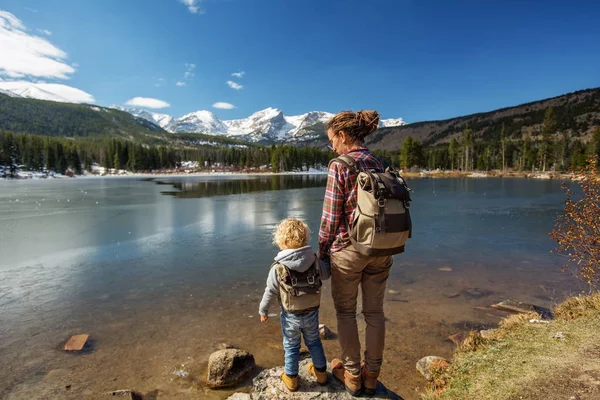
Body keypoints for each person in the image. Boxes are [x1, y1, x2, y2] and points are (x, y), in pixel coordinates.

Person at [318, 110, 393, 396]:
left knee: (346, 312)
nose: (332, 147)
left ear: (343, 136)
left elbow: (330, 217)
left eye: (332, 141)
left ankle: (351, 375)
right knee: (375, 312)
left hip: (348, 251)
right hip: (382, 247)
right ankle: (371, 375)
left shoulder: (340, 164)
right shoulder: (379, 162)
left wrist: (323, 250)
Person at [259, 217, 331, 392]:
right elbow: (326, 274)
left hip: (290, 314)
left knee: (291, 345)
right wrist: (326, 257)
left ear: (281, 241)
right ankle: (321, 373)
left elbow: (270, 291)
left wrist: (263, 310)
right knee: (314, 341)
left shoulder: (278, 267)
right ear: (305, 239)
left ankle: (291, 378)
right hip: (312, 311)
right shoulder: (313, 260)